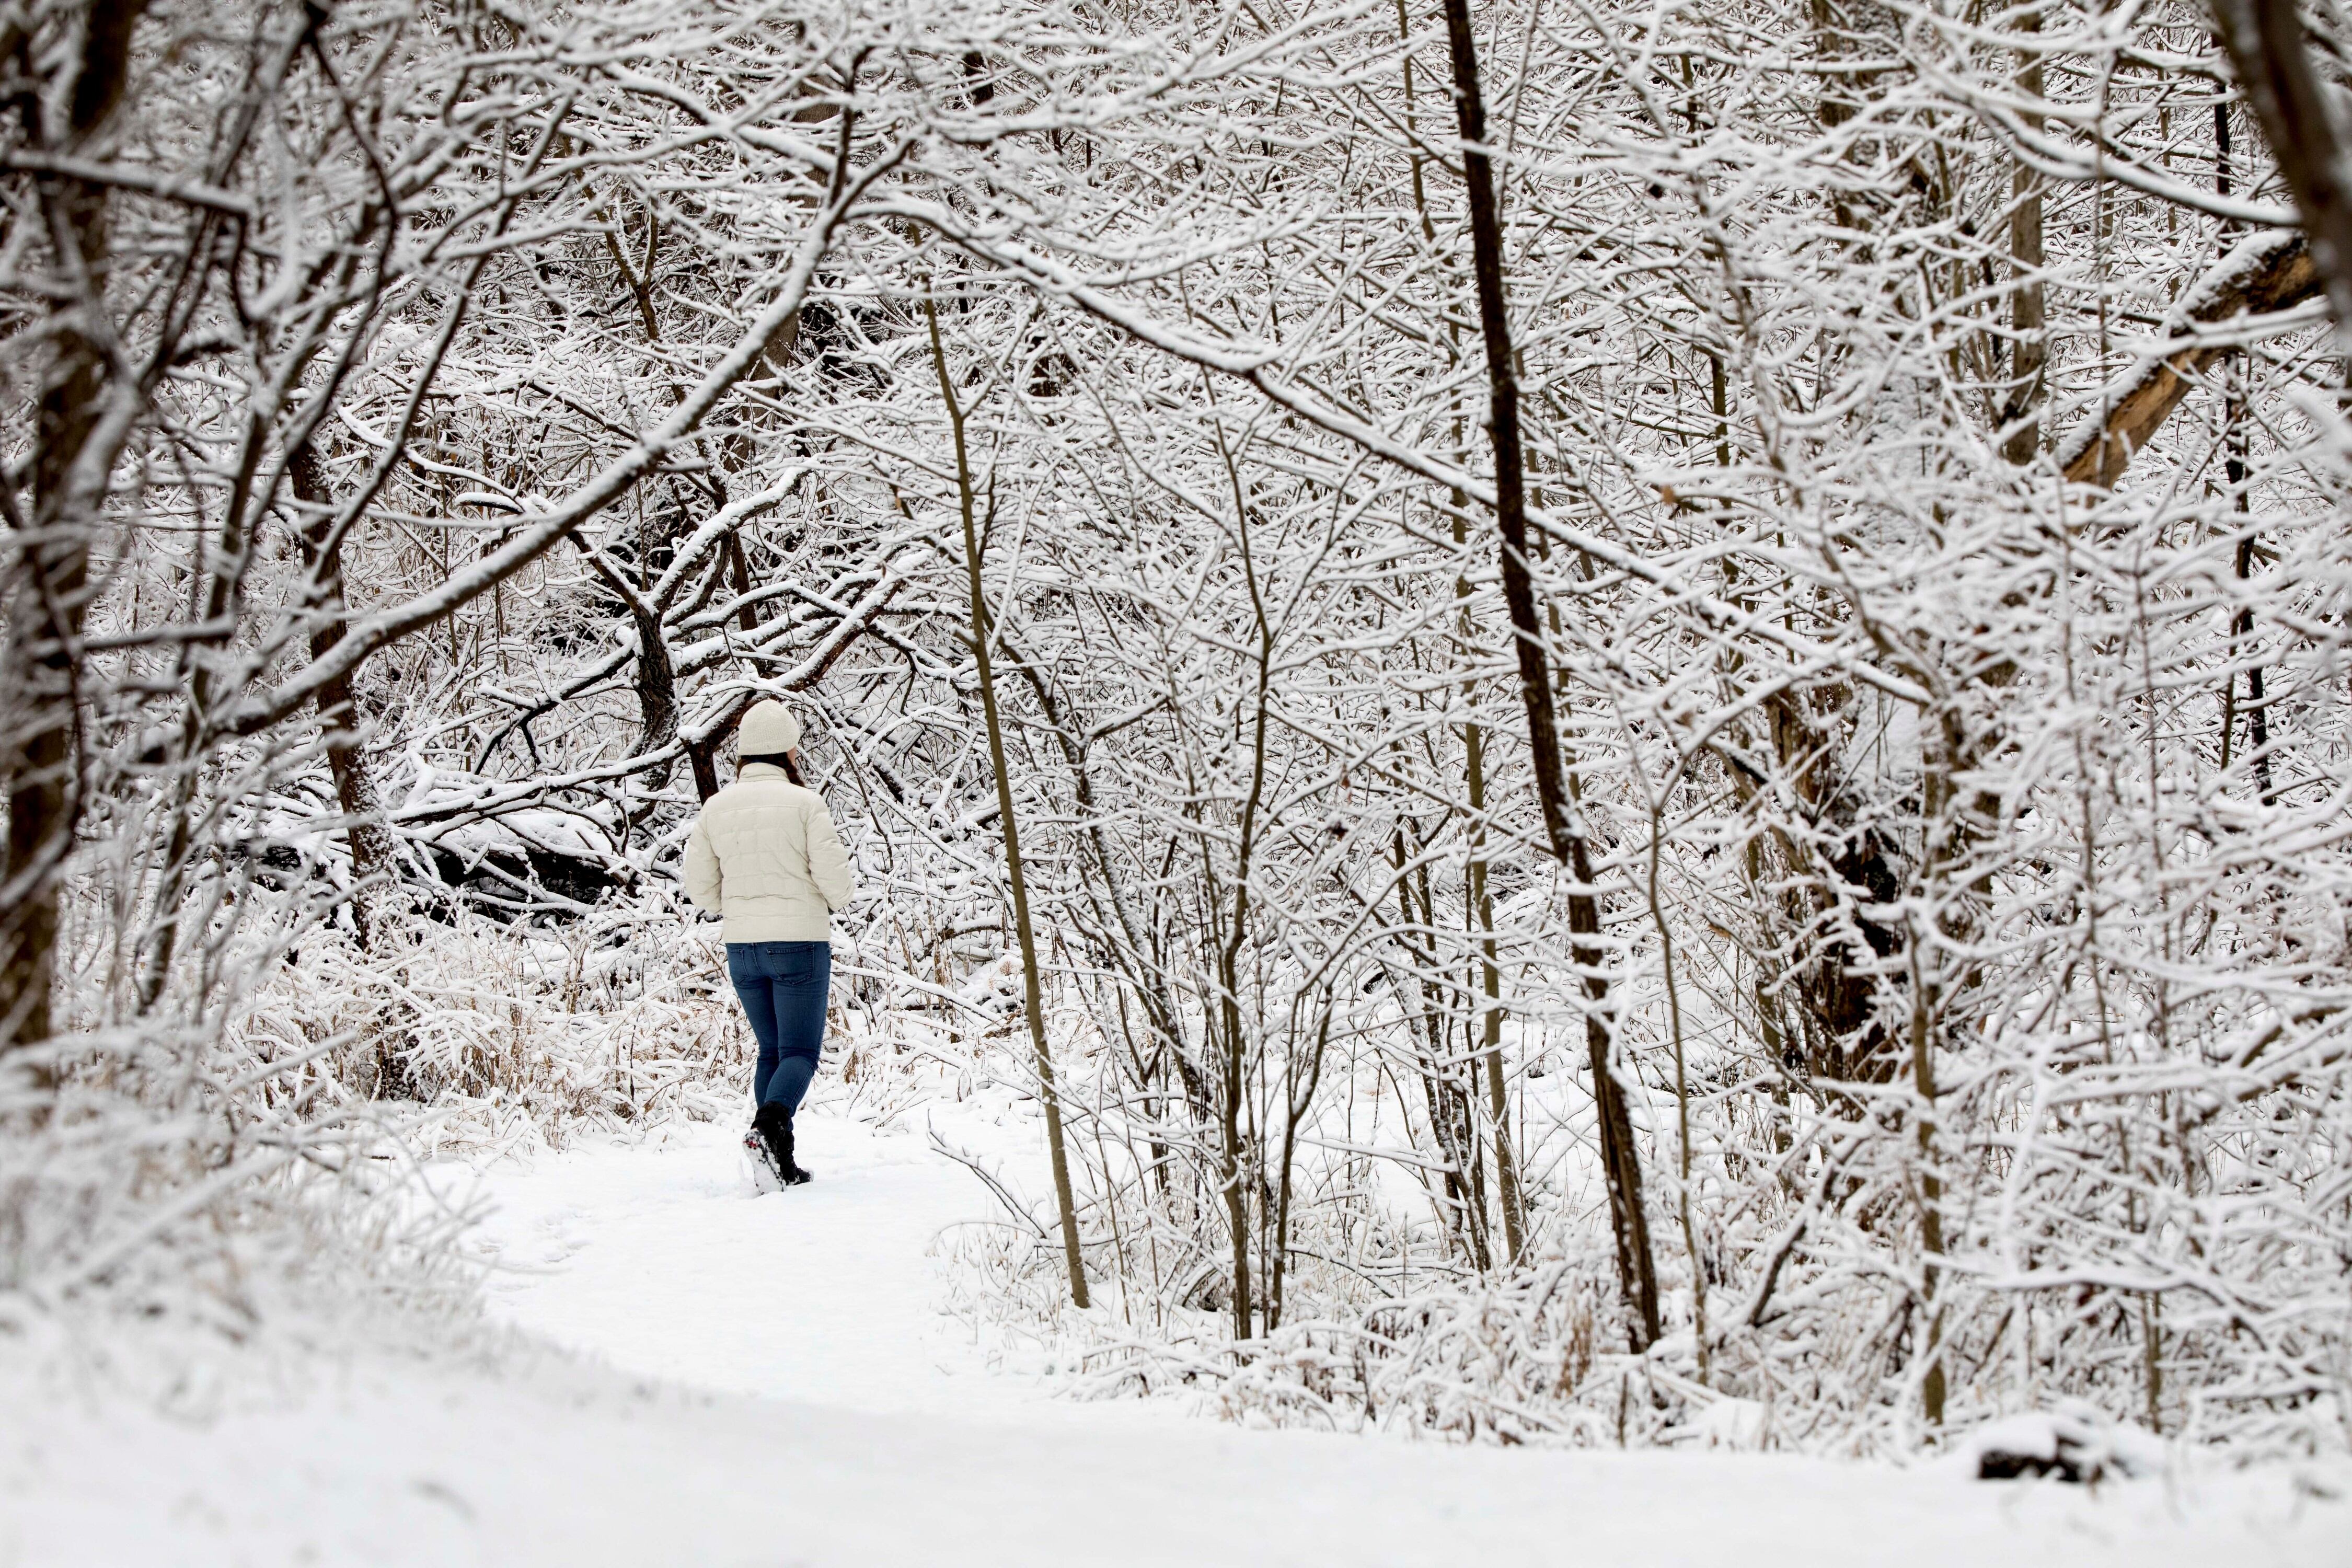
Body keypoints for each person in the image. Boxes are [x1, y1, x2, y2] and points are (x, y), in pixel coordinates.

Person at [684, 699, 855, 1188]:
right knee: (800, 1052)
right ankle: (766, 1130)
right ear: (788, 752)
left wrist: (734, 904)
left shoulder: (716, 808)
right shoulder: (806, 805)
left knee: (771, 1052)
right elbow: (838, 887)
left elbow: (701, 890)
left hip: (742, 948)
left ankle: (778, 1161)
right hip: (799, 944)